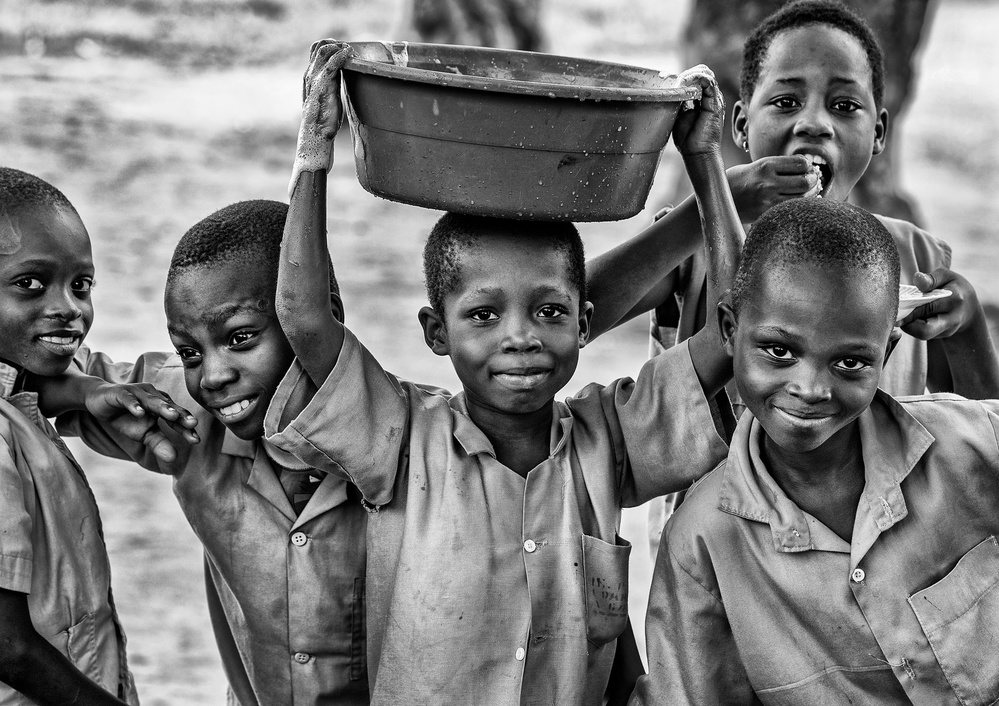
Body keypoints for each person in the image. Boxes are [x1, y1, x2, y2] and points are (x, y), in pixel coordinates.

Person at [262, 42, 740, 704]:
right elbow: (305, 319)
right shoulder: (401, 440)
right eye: (483, 315)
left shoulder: (612, 440)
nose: (520, 337)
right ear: (437, 333)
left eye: (547, 310)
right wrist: (315, 149)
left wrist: (701, 157)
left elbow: (736, 328)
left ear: (583, 322)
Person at [630, 0, 999, 557]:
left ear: (878, 133)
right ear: (740, 125)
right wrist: (710, 193)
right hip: (721, 563)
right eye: (785, 101)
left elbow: (982, 439)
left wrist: (966, 331)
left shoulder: (913, 258)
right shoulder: (695, 246)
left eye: (844, 105)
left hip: (873, 561)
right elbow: (576, 309)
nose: (814, 123)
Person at [632, 197, 999, 705]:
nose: (810, 388)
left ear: (887, 351)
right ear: (729, 330)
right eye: (779, 351)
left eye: (849, 362)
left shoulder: (975, 445)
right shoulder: (702, 544)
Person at [40, 200, 370, 706]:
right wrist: (81, 390)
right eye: (190, 352)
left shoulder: (412, 444)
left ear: (323, 315)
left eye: (241, 338)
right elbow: (27, 363)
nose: (212, 376)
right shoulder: (183, 417)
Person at [0, 167, 198, 705]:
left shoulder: (22, 391)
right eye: (31, 283)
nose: (69, 308)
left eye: (81, 285)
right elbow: (8, 647)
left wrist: (82, 390)